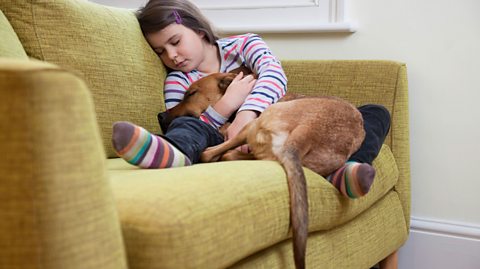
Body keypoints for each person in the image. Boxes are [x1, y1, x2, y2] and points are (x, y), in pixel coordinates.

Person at [112, 0, 390, 199]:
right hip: (220, 136)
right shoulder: (179, 79)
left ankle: (342, 169)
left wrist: (246, 113)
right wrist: (225, 106)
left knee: (374, 113)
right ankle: (173, 153)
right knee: (186, 126)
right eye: (160, 51)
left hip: (273, 120)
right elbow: (176, 117)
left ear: (197, 30)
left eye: (175, 41)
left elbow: (274, 73)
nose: (171, 56)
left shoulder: (245, 45)